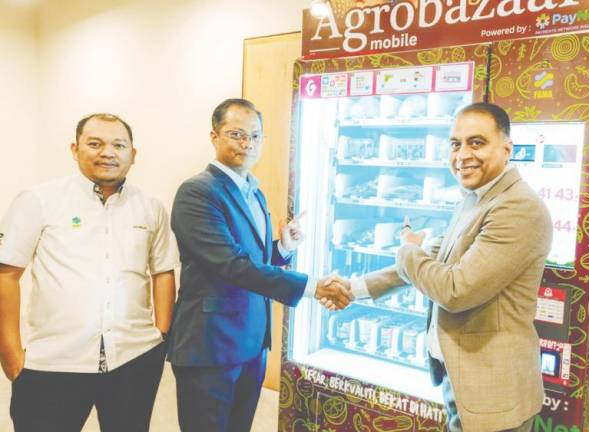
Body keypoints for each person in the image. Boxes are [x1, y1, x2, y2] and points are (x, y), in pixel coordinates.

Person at [337, 102, 552, 431]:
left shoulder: (517, 207)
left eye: (476, 142)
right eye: (455, 144)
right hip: (463, 378)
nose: (462, 154)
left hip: (494, 394)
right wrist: (354, 289)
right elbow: (432, 260)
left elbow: (455, 290)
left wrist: (408, 250)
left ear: (507, 148)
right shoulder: (476, 198)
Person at [167, 98, 352, 432]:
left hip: (252, 342)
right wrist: (311, 286)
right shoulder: (197, 192)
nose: (247, 143)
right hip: (211, 346)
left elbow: (251, 259)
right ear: (214, 136)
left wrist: (282, 247)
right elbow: (230, 264)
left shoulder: (255, 190)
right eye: (236, 134)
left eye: (255, 136)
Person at [0, 113, 177, 432]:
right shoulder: (39, 200)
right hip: (53, 361)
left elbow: (163, 271)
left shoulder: (150, 207)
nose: (107, 152)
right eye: (95, 143)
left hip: (133, 358)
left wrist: (160, 335)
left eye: (119, 145)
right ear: (74, 148)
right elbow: (6, 275)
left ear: (133, 154)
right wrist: (11, 354)